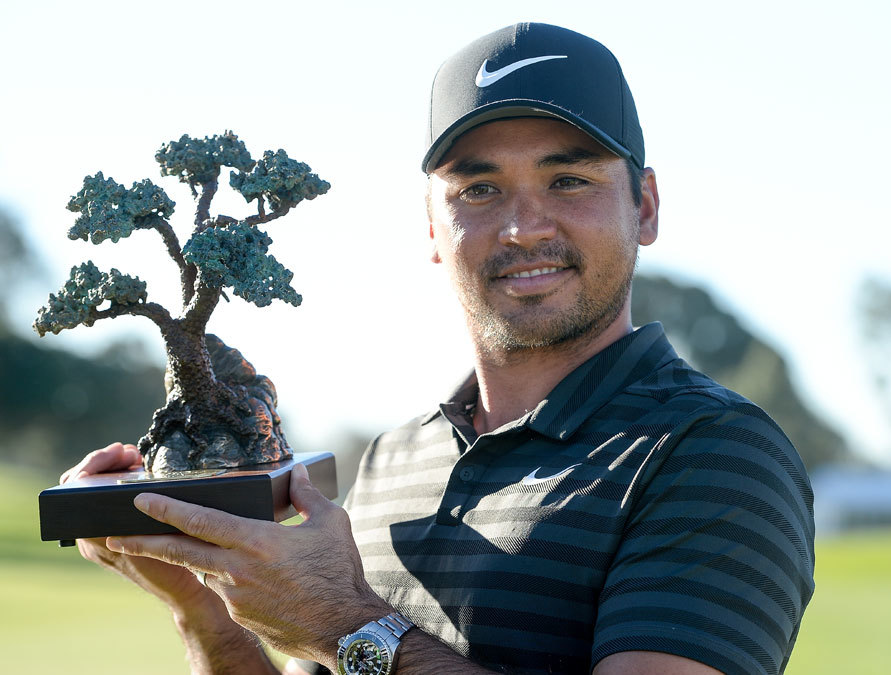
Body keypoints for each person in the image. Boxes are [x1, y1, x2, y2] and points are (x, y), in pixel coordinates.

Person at [63, 23, 814, 675]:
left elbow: (344, 629)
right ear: (431, 225)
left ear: (644, 207)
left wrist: (344, 622)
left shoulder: (716, 453)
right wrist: (205, 606)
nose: (524, 225)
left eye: (569, 178)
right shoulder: (394, 459)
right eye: (478, 190)